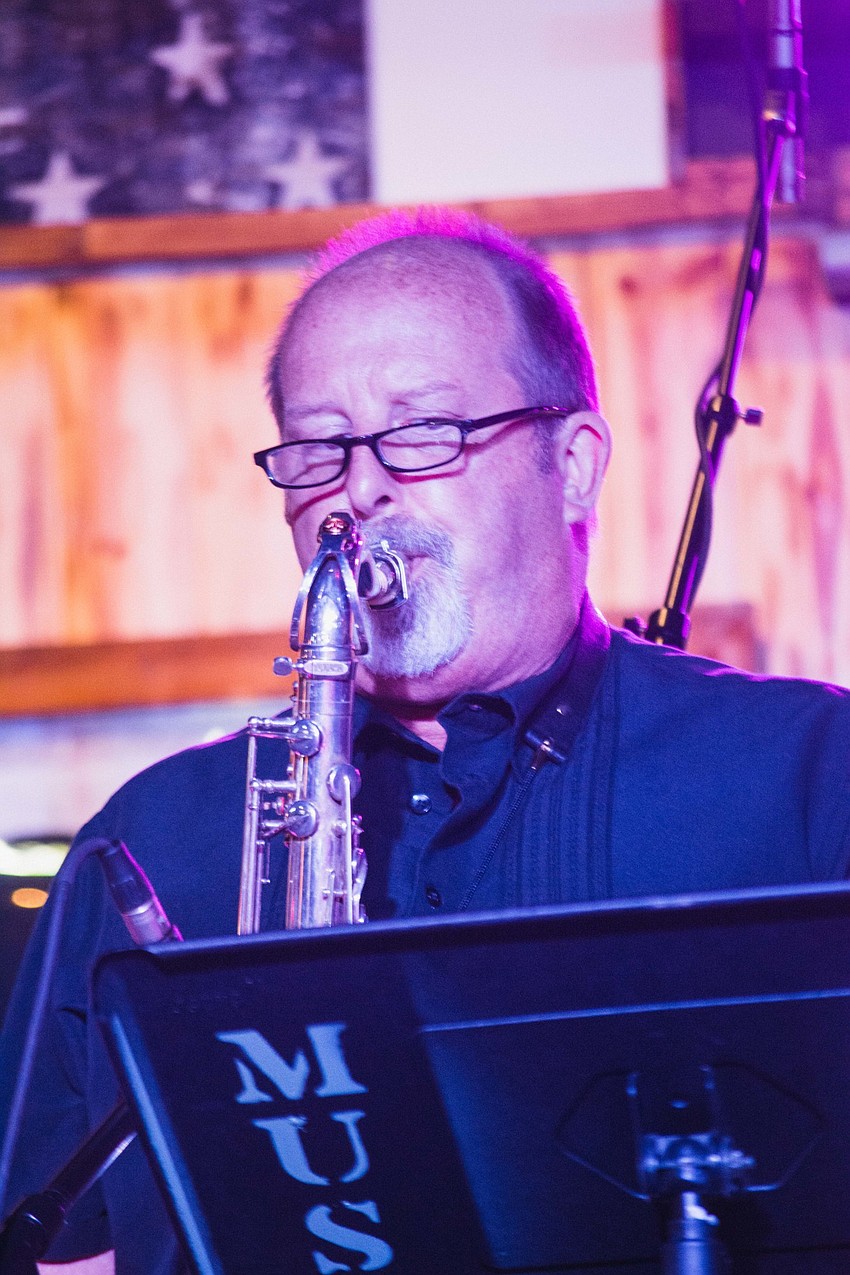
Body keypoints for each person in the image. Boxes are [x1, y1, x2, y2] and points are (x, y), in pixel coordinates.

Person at [1, 207, 849, 1274]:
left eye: (424, 432)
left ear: (573, 463)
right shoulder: (148, 840)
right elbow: (60, 1253)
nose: (358, 490)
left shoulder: (809, 778)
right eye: (319, 446)